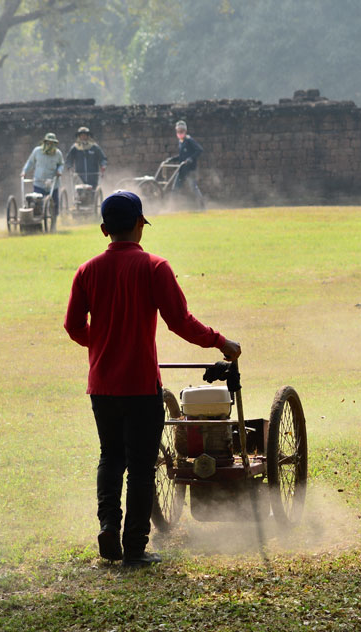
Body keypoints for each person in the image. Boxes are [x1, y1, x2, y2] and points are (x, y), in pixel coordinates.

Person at [63, 191, 241, 567]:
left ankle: (108, 526)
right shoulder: (154, 267)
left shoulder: (87, 271)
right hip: (141, 385)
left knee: (110, 457)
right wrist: (220, 342)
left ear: (103, 229)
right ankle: (135, 547)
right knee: (141, 465)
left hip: (102, 385)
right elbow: (180, 321)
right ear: (140, 225)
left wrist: (100, 345)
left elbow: (73, 325)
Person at [22, 132, 64, 211]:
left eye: (52, 143)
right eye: (48, 142)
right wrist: (24, 171)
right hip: (39, 182)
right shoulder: (37, 151)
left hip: (52, 183)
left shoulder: (58, 153)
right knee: (37, 202)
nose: (50, 144)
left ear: (55, 143)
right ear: (45, 142)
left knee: (54, 204)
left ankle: (54, 219)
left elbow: (61, 164)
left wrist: (59, 171)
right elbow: (30, 162)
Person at [170, 120, 206, 210]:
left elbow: (199, 150)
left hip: (190, 170)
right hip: (182, 169)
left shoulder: (189, 140)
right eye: (178, 131)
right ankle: (172, 207)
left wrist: (190, 159)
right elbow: (182, 156)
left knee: (193, 188)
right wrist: (172, 159)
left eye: (181, 131)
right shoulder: (181, 142)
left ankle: (202, 206)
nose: (180, 133)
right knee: (175, 188)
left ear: (185, 131)